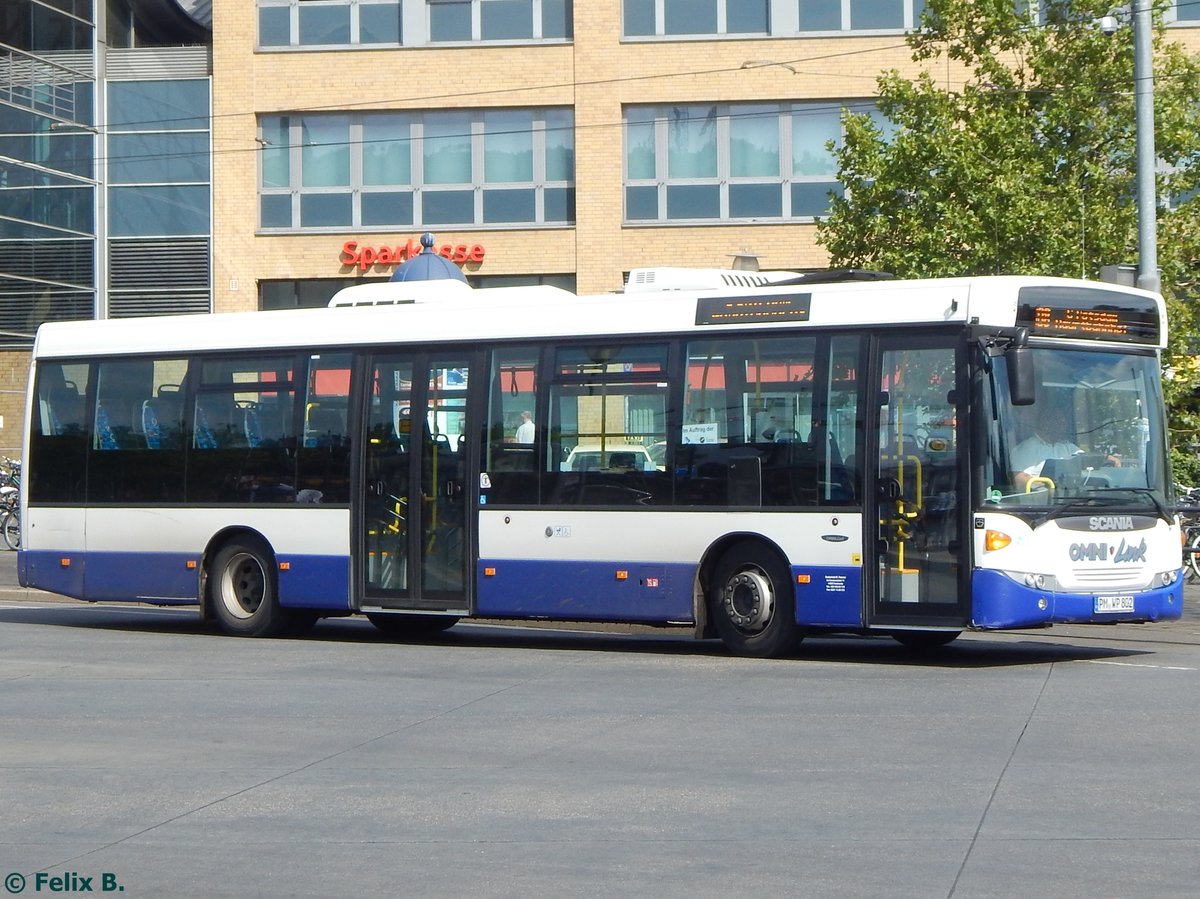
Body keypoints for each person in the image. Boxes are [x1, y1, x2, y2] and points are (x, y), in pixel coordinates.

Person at [1010, 405, 1080, 490]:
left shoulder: (1068, 447)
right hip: (1038, 500)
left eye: (1063, 423)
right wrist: (1046, 488)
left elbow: (1086, 464)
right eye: (1058, 422)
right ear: (1044, 423)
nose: (1062, 427)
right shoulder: (1027, 447)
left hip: (1071, 498)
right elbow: (1017, 477)